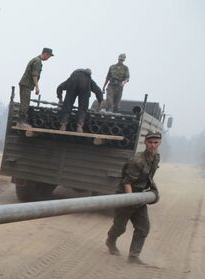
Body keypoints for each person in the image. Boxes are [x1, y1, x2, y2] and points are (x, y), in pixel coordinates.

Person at [105, 130, 161, 265]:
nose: (153, 145)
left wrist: (150, 191)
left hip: (140, 197)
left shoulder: (156, 158)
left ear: (159, 143)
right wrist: (130, 199)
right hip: (126, 195)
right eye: (150, 142)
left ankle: (133, 256)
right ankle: (110, 241)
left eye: (156, 142)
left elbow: (149, 177)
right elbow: (127, 182)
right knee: (120, 227)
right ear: (145, 142)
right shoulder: (137, 161)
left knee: (143, 228)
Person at [56, 68, 103, 133]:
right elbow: (98, 90)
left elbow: (59, 87)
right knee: (83, 107)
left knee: (67, 105)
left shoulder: (72, 78)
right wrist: (100, 101)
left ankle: (63, 125)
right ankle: (79, 126)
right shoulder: (88, 79)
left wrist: (60, 99)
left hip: (73, 82)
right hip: (85, 83)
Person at [17, 47, 54, 128]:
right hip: (26, 84)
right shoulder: (38, 61)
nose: (48, 58)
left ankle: (21, 121)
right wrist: (37, 87)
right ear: (45, 54)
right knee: (25, 103)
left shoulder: (35, 59)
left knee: (25, 102)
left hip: (25, 84)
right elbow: (35, 75)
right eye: (49, 56)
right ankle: (21, 122)